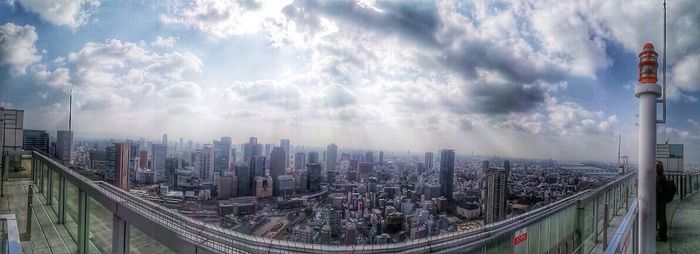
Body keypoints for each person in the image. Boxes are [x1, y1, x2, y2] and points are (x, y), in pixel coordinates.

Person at [656, 160, 676, 242]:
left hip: (659, 201)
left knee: (661, 218)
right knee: (662, 218)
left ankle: (662, 236)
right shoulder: (662, 177)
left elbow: (659, 191)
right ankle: (662, 235)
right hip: (662, 200)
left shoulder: (659, 179)